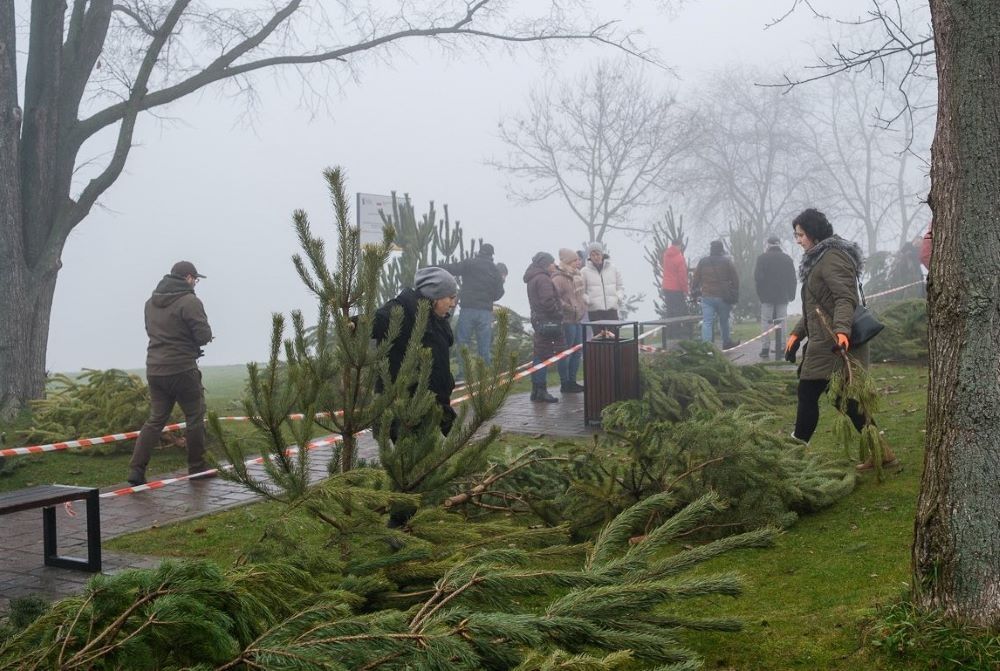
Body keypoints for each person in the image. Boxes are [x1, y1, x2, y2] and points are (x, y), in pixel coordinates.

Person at [784, 208, 898, 470]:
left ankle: (793, 457)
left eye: (800, 235)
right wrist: (796, 334)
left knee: (807, 392)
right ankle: (883, 453)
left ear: (812, 234)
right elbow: (818, 306)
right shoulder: (818, 258)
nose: (798, 240)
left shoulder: (832, 258)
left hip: (834, 345)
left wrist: (843, 333)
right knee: (843, 399)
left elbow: (845, 299)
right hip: (827, 341)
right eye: (796, 235)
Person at [127, 261, 213, 486]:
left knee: (155, 420)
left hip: (155, 369)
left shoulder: (150, 303)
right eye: (196, 279)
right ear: (187, 277)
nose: (196, 283)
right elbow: (203, 335)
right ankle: (197, 468)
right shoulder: (190, 301)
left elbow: (150, 331)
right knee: (194, 418)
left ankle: (136, 470)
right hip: (183, 368)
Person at [372, 267, 459, 436]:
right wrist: (353, 324)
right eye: (450, 297)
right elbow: (377, 320)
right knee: (415, 459)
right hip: (404, 411)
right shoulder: (402, 310)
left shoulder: (438, 321)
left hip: (435, 406)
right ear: (435, 295)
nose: (453, 303)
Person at [439, 243, 505, 379]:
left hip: (468, 309)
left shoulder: (470, 263)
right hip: (485, 313)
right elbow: (500, 292)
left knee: (463, 343)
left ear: (479, 252)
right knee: (484, 345)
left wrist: (435, 267)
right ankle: (485, 375)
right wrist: (489, 298)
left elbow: (453, 268)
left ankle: (463, 374)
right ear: (491, 255)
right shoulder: (494, 270)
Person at [524, 252, 566, 403]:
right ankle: (540, 390)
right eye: (551, 262)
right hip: (548, 321)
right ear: (544, 264)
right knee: (543, 355)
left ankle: (536, 390)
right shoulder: (543, 279)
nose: (554, 265)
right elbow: (548, 301)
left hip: (539, 320)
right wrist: (558, 314)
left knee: (539, 353)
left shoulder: (534, 277)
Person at [691, 240, 740, 349]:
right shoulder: (727, 262)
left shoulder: (703, 262)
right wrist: (734, 292)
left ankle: (707, 347)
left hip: (707, 296)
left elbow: (696, 278)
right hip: (723, 296)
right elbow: (735, 279)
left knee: (707, 322)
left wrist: (694, 291)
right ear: (721, 250)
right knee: (724, 321)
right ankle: (726, 343)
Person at [754, 235, 797, 359]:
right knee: (782, 321)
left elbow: (758, 278)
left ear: (768, 244)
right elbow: (792, 279)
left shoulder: (762, 258)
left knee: (765, 322)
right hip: (783, 295)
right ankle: (782, 347)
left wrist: (761, 295)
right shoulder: (787, 259)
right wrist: (791, 295)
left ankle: (765, 348)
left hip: (766, 296)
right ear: (779, 244)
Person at [552, 248, 586, 393]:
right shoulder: (558, 278)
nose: (577, 262)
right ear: (567, 262)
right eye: (574, 260)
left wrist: (582, 307)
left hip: (577, 319)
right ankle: (565, 382)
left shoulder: (576, 276)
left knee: (577, 352)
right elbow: (555, 299)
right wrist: (569, 308)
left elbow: (580, 296)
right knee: (566, 353)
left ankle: (572, 380)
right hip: (566, 320)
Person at [581, 241, 624, 322]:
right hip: (595, 311)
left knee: (613, 334)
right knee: (598, 334)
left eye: (598, 254)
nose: (596, 257)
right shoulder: (584, 271)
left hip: (612, 310)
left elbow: (620, 286)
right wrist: (588, 300)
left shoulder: (613, 269)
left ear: (602, 254)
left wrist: (618, 298)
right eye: (593, 255)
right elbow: (582, 291)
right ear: (589, 256)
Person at [660, 239, 690, 338]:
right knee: (679, 311)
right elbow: (682, 276)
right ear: (679, 245)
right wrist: (685, 289)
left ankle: (670, 333)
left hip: (666, 287)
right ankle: (679, 333)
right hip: (676, 288)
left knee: (670, 311)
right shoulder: (679, 257)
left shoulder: (666, 255)